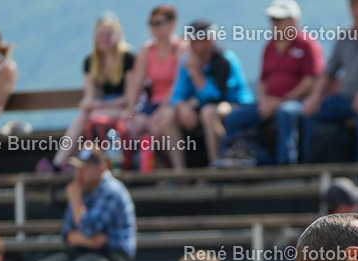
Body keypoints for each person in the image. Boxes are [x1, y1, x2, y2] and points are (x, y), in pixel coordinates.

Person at [25, 144, 137, 261]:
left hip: (113, 253)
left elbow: (88, 228)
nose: (78, 173)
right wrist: (88, 242)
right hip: (85, 250)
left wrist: (76, 200)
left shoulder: (113, 191)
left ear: (100, 168)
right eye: (76, 168)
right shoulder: (80, 188)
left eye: (83, 168)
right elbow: (68, 233)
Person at [217, 0, 324, 166]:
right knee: (234, 117)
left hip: (296, 102)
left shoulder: (307, 45)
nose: (275, 24)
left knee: (285, 113)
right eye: (273, 20)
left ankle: (286, 164)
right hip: (269, 103)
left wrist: (282, 101)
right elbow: (263, 81)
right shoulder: (269, 47)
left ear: (293, 21)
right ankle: (228, 158)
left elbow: (310, 81)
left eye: (279, 20)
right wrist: (264, 102)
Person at [301, 0, 358, 163]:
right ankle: (309, 165)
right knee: (313, 110)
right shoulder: (344, 35)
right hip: (347, 98)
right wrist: (315, 96)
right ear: (350, 9)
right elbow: (330, 70)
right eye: (356, 6)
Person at [51, 15, 137, 170]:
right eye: (101, 34)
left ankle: (61, 163)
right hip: (103, 107)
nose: (104, 39)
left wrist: (99, 104)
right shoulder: (90, 61)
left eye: (109, 34)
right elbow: (91, 96)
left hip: (124, 108)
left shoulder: (128, 58)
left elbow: (130, 98)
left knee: (89, 117)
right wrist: (88, 103)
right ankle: (59, 163)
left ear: (117, 35)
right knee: (84, 115)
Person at [165, 19, 253, 169]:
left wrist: (196, 73)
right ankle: (180, 174)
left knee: (209, 113)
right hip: (207, 107)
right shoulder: (186, 62)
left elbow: (216, 96)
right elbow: (177, 95)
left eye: (202, 40)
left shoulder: (225, 60)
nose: (195, 45)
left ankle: (215, 166)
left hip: (237, 106)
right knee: (169, 116)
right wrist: (182, 107)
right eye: (194, 40)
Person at [121, 5, 187, 150]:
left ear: (172, 24)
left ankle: (170, 168)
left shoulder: (181, 48)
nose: (154, 27)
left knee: (157, 129)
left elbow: (178, 83)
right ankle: (144, 167)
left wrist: (162, 109)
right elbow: (138, 81)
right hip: (152, 103)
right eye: (151, 23)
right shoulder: (146, 49)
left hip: (174, 102)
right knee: (132, 128)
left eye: (158, 23)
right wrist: (130, 109)